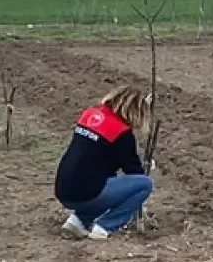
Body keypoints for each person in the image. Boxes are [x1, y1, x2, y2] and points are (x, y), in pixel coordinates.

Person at [54, 84, 154, 242]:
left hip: (63, 189)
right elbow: (133, 172)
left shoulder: (89, 116)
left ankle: (78, 221)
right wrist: (146, 167)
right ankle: (105, 226)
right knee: (144, 184)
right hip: (87, 193)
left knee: (98, 183)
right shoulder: (122, 132)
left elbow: (95, 158)